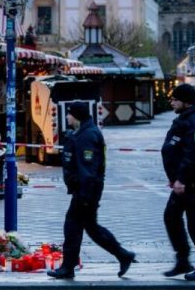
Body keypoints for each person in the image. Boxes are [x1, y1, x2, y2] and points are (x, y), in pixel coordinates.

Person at [48, 101, 135, 279]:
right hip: (84, 190)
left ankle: (68, 268)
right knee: (91, 228)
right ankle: (123, 255)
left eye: (69, 114)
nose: (67, 116)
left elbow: (88, 169)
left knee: (72, 226)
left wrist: (85, 195)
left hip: (85, 191)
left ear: (77, 116)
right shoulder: (83, 133)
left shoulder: (88, 136)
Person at [161, 83, 195, 281]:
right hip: (182, 182)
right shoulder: (185, 119)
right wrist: (174, 178)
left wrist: (181, 179)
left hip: (194, 182)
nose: (172, 102)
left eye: (175, 99)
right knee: (171, 217)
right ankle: (183, 259)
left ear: (185, 101)